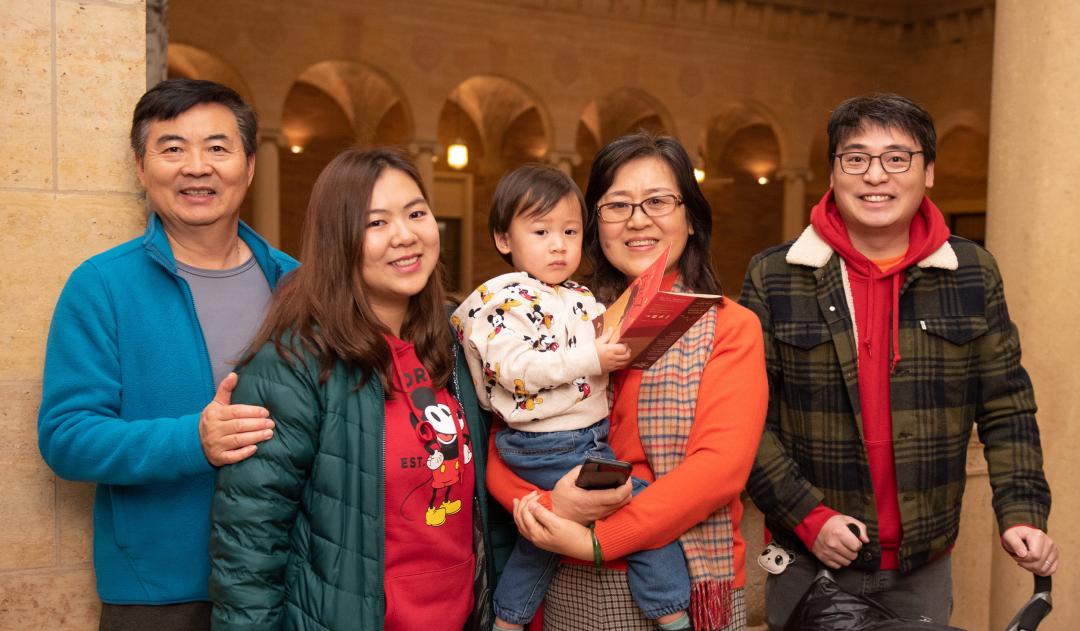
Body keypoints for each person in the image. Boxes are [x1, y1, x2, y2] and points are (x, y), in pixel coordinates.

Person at [739, 93, 1058, 629]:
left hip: (923, 566)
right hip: (806, 560)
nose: (874, 176)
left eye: (896, 158)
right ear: (834, 171)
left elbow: (1007, 406)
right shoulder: (775, 275)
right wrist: (808, 516)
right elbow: (746, 419)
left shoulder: (972, 272)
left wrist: (1021, 510)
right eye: (855, 157)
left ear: (928, 172)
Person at [208, 148, 512, 631]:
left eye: (416, 213)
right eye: (376, 223)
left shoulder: (458, 344)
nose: (406, 235)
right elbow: (250, 547)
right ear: (339, 240)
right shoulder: (293, 362)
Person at [37, 79, 296, 631]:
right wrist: (192, 441)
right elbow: (66, 437)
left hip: (289, 578)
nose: (196, 167)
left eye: (218, 148)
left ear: (249, 166)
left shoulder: (296, 284)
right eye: (172, 148)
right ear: (140, 168)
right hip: (160, 595)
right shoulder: (101, 285)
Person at [489, 133, 768, 631]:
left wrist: (598, 537)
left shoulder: (729, 325)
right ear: (595, 223)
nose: (639, 220)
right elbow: (508, 437)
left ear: (691, 217)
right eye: (618, 205)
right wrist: (557, 510)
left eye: (658, 201)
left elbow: (719, 469)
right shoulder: (560, 323)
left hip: (685, 571)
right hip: (561, 572)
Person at [453, 164, 692, 631]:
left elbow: (610, 340)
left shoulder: (578, 295)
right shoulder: (502, 300)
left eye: (570, 230)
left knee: (544, 537)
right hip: (546, 443)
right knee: (639, 511)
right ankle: (672, 615)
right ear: (504, 239)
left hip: (584, 438)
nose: (559, 244)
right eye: (540, 231)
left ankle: (508, 620)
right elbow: (514, 370)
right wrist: (590, 357)